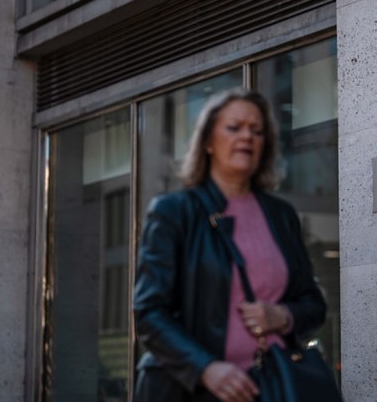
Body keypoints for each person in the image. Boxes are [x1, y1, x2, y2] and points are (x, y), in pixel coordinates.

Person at [133, 88, 327, 402]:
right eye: (234, 128)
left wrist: (283, 316)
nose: (247, 137)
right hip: (193, 390)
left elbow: (313, 304)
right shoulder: (173, 211)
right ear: (208, 141)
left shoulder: (281, 215)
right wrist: (205, 368)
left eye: (257, 131)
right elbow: (149, 312)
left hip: (272, 387)